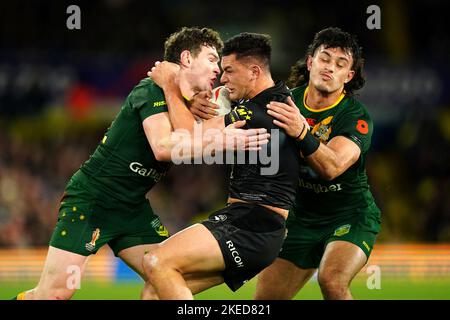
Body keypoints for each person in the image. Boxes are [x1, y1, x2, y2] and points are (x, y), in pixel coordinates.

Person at [13, 27, 268, 300]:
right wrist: (220, 141)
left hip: (131, 208)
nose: (217, 68)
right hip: (93, 200)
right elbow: (162, 148)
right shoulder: (150, 90)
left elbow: (191, 136)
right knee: (55, 294)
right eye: (210, 59)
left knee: (165, 274)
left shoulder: (187, 103)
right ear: (186, 58)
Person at [142, 32, 300, 299]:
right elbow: (214, 105)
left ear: (254, 71)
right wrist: (195, 101)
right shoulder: (272, 99)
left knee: (156, 261)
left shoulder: (259, 111)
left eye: (228, 71)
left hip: (252, 225)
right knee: (154, 292)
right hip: (253, 226)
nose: (223, 78)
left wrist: (170, 86)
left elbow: (187, 137)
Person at [254, 27, 381, 300]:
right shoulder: (284, 101)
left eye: (340, 64)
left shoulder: (355, 116)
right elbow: (244, 124)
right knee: (265, 299)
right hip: (301, 219)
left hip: (350, 216)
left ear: (349, 76)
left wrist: (301, 132)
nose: (330, 68)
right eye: (325, 59)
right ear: (311, 62)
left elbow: (332, 167)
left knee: (331, 280)